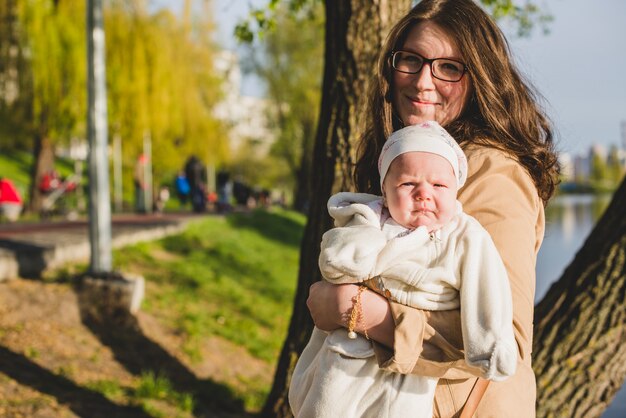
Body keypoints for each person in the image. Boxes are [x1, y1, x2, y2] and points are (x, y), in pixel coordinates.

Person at [303, 0, 560, 417]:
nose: (424, 81)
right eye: (412, 61)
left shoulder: (495, 174)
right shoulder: (405, 162)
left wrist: (357, 311)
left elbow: (505, 341)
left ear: (480, 80)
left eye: (448, 67)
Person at [290, 122, 517, 417]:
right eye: (409, 184)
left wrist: (490, 345)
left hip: (413, 369)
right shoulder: (370, 220)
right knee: (327, 406)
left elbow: (487, 288)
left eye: (439, 185)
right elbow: (335, 263)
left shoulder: (465, 236)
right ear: (385, 189)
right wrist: (368, 236)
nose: (424, 194)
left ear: (455, 190)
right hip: (352, 348)